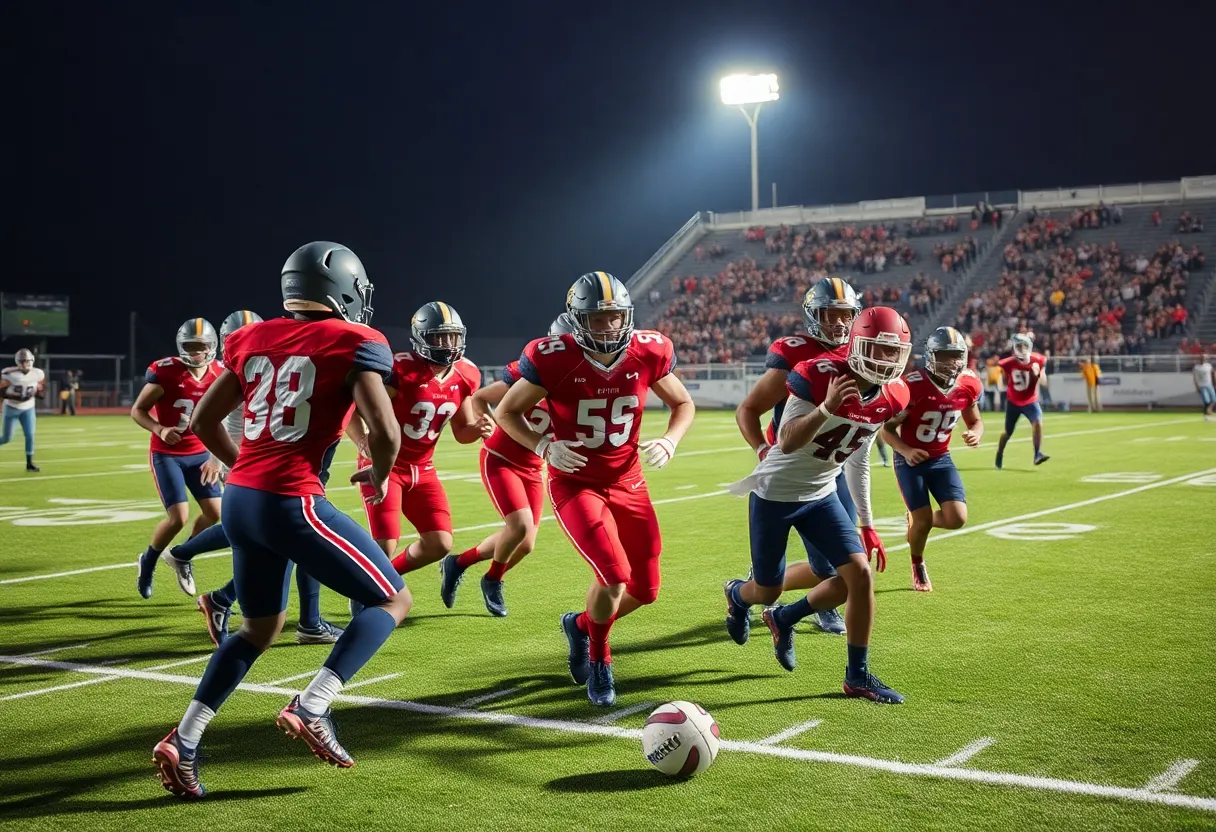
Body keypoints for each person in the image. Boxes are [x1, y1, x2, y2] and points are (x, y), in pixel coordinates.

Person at [152, 241, 410, 798]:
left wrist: (243, 464)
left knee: (259, 627)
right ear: (345, 290)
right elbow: (385, 430)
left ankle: (185, 738)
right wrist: (381, 471)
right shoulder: (358, 339)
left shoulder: (251, 336)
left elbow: (202, 418)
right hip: (292, 499)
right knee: (393, 599)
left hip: (243, 499)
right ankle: (313, 704)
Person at [494, 271, 695, 707]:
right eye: (597, 319)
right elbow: (507, 412)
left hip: (628, 480)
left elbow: (682, 402)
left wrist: (669, 439)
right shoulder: (552, 356)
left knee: (646, 590)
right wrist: (544, 445)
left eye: (615, 318)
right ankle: (600, 657)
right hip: (577, 483)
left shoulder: (649, 349)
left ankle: (581, 625)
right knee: (614, 575)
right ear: (576, 320)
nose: (608, 327)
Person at [723, 306, 911, 704]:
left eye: (893, 353)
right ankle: (739, 596)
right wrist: (826, 408)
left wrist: (866, 521)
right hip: (775, 494)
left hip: (822, 492)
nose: (885, 361)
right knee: (767, 589)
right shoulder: (820, 372)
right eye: (877, 349)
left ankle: (855, 675)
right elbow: (787, 440)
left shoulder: (894, 394)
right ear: (857, 345)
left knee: (857, 578)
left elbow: (858, 458)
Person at [167, 310, 344, 646]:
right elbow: (212, 420)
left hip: (268, 461)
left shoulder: (253, 362)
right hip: (256, 462)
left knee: (285, 541)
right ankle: (200, 571)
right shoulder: (241, 366)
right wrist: (219, 459)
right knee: (290, 539)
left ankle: (304, 620)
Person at [730, 278, 878, 636]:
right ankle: (753, 590)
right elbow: (748, 409)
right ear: (813, 316)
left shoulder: (862, 353)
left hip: (830, 466)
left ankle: (814, 603)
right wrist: (762, 449)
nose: (839, 324)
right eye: (830, 315)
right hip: (789, 461)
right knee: (786, 580)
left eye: (846, 315)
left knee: (840, 563)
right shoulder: (794, 353)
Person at [346, 301, 491, 608]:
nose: (447, 344)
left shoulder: (466, 374)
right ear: (420, 338)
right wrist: (362, 442)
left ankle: (387, 578)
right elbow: (352, 408)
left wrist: (478, 429)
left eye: (452, 336)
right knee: (384, 543)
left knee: (440, 543)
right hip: (386, 465)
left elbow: (462, 432)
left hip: (423, 468)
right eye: (438, 337)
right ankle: (365, 595)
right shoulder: (400, 370)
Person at [441, 313, 574, 616]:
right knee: (519, 526)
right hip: (501, 458)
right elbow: (481, 397)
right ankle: (492, 580)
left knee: (525, 544)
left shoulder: (585, 381)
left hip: (532, 464)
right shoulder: (531, 375)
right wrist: (482, 422)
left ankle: (458, 563)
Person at [880, 327, 983, 592]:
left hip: (941, 458)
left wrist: (975, 433)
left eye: (956, 355)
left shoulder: (968, 384)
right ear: (931, 356)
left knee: (957, 518)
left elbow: (976, 420)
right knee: (923, 521)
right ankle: (917, 563)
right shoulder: (912, 386)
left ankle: (915, 519)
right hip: (910, 460)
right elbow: (886, 430)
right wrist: (906, 451)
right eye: (945, 356)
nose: (952, 362)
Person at [132, 319, 223, 598]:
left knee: (215, 513)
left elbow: (226, 417)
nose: (195, 353)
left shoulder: (221, 373)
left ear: (212, 347)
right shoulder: (167, 372)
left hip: (201, 453)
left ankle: (182, 556)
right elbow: (138, 410)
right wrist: (160, 428)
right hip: (167, 453)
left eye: (201, 347)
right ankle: (148, 561)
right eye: (190, 347)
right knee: (178, 517)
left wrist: (216, 457)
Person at [994, 333, 1049, 469]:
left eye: (1025, 346)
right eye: (1019, 346)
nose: (1022, 349)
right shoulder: (1008, 363)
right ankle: (999, 453)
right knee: (1007, 433)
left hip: (1030, 401)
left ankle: (1037, 454)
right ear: (1014, 347)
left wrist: (1037, 374)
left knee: (1038, 423)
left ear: (1029, 347)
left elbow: (1044, 382)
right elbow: (1001, 376)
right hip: (1013, 401)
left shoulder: (1037, 360)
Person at [0, 348, 45, 471]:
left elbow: (40, 389)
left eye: (28, 361)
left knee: (30, 435)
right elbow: (1, 391)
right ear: (18, 362)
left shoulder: (38, 373)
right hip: (11, 408)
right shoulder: (10, 375)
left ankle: (29, 463)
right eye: (24, 361)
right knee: (6, 438)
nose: (27, 364)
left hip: (28, 408)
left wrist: (39, 391)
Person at [1194, 355, 1215, 420]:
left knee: (1214, 399)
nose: (1203, 359)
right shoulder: (1196, 367)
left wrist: (1214, 381)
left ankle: (1209, 410)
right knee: (1206, 400)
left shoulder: (1208, 366)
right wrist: (1196, 386)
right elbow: (1195, 377)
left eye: (1204, 358)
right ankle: (1206, 413)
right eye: (1202, 358)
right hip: (1202, 385)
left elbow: (1213, 373)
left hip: (1209, 385)